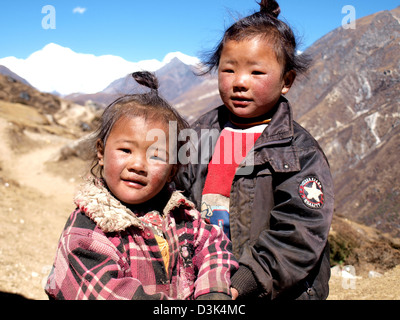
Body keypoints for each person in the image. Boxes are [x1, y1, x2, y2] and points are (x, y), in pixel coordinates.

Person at [177, 0, 334, 300]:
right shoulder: (198, 134)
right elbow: (175, 196)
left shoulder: (299, 152)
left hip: (274, 291)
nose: (239, 82)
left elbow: (300, 232)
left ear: (286, 81)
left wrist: (244, 281)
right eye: (229, 69)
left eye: (257, 72)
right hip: (207, 284)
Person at [44, 71, 238, 300]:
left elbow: (214, 246)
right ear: (101, 152)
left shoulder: (183, 217)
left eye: (156, 156)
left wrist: (213, 292)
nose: (138, 165)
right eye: (126, 150)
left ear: (172, 171)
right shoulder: (86, 232)